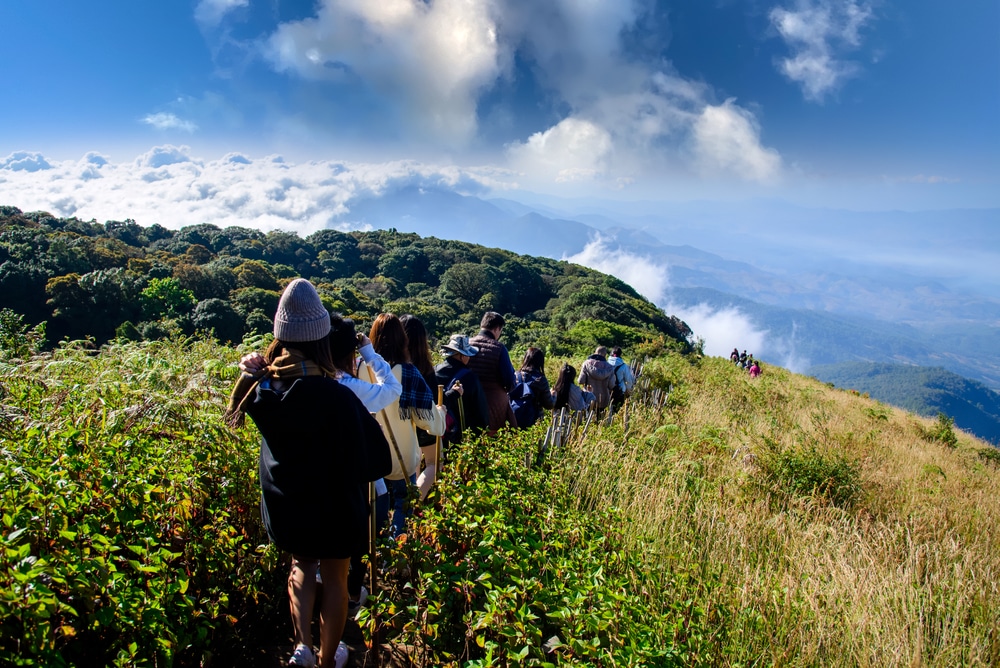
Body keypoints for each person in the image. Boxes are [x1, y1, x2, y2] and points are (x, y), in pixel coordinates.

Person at [225, 278, 390, 668]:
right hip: (335, 508)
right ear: (322, 340)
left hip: (289, 507)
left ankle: (301, 647)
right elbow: (378, 462)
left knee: (302, 565)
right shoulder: (339, 398)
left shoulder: (263, 391)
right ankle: (328, 657)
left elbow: (233, 413)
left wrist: (247, 373)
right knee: (336, 577)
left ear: (280, 335)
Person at [239, 314, 402, 619]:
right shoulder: (345, 388)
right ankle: (343, 623)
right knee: (340, 570)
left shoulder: (277, 386)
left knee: (303, 565)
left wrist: (251, 367)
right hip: (343, 494)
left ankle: (303, 642)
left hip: (295, 495)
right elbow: (391, 391)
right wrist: (369, 353)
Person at [358, 313, 446, 539]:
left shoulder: (357, 368)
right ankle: (395, 554)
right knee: (403, 504)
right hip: (400, 457)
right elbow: (430, 422)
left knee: (371, 506)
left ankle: (371, 552)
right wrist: (440, 415)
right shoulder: (408, 372)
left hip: (366, 456)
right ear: (402, 340)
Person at [400, 314, 441, 500]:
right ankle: (416, 502)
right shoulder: (425, 368)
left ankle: (409, 503)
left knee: (411, 465)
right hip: (425, 422)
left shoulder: (393, 367)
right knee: (434, 463)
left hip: (401, 422)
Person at [435, 334, 490, 445]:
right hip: (460, 435)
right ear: (462, 356)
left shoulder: (434, 371)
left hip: (436, 432)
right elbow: (480, 410)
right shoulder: (470, 377)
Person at [466, 311, 517, 431]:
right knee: (493, 438)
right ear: (497, 329)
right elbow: (509, 381)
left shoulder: (466, 345)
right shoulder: (499, 348)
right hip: (493, 401)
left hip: (466, 398)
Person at [509, 347, 554, 429]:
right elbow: (549, 405)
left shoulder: (515, 376)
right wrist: (553, 396)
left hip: (513, 419)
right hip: (534, 421)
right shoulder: (541, 379)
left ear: (525, 359)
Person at [577, 346, 616, 411]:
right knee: (600, 418)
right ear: (605, 355)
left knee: (588, 418)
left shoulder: (586, 364)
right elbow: (611, 385)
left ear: (595, 352)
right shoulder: (610, 368)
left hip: (588, 397)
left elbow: (580, 381)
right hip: (603, 400)